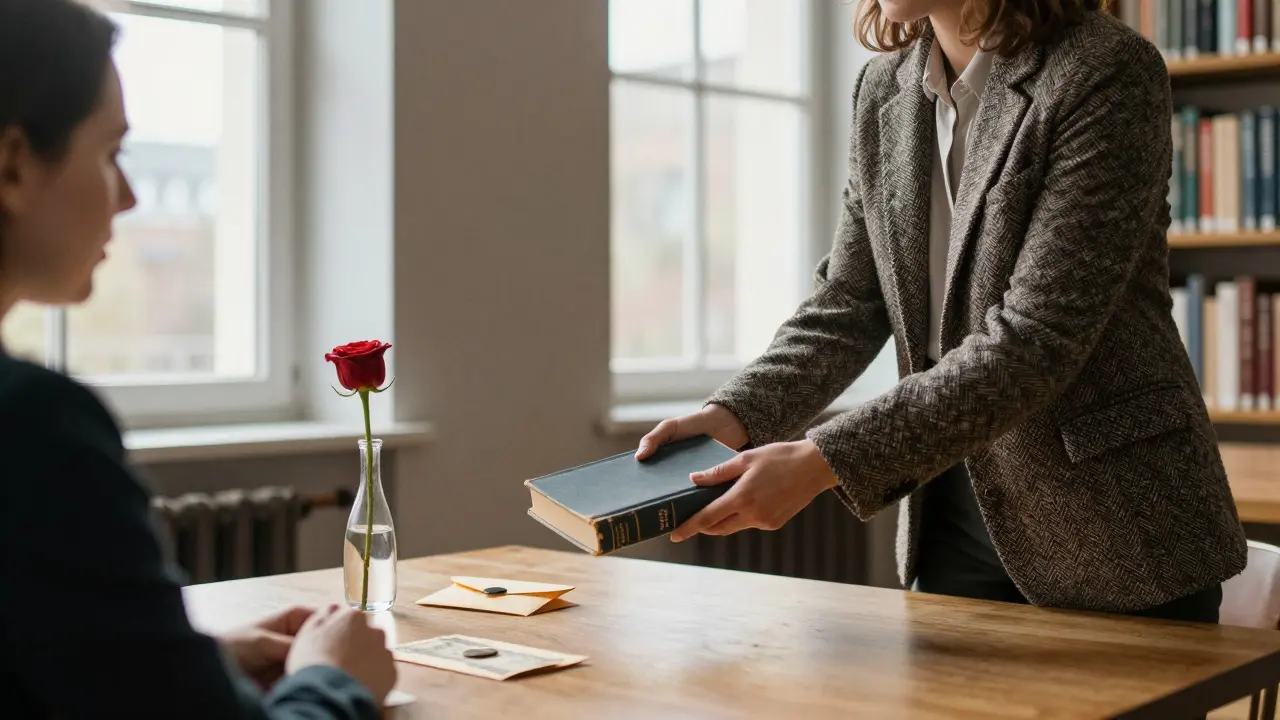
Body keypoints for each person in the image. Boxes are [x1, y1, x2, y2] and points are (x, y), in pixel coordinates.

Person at [638, 0, 1247, 623]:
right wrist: (732, 415)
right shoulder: (883, 88)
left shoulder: (1106, 69)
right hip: (949, 512)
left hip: (1116, 521)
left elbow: (1036, 338)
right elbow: (850, 301)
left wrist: (823, 461)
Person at [0, 0, 396, 716]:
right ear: (13, 164)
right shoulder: (32, 429)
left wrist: (194, 659)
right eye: (109, 153)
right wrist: (336, 680)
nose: (129, 197)